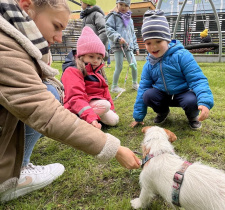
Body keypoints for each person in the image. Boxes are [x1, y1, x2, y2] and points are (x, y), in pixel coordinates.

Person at [0, 0, 140, 203]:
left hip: (90, 109)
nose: (58, 38)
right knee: (49, 94)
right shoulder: (6, 49)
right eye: (56, 26)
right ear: (26, 5)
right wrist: (114, 148)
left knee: (54, 92)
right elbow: (46, 112)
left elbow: (104, 92)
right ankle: (13, 175)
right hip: (81, 109)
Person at [130, 10, 214, 130]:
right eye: (148, 43)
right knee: (148, 95)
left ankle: (192, 116)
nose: (153, 47)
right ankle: (162, 112)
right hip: (163, 95)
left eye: (158, 41)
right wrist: (138, 116)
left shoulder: (182, 55)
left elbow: (197, 79)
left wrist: (205, 102)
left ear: (167, 40)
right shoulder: (149, 63)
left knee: (191, 100)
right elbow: (143, 87)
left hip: (183, 93)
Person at [62, 26, 119, 129]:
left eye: (99, 57)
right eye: (91, 56)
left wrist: (112, 110)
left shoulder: (96, 70)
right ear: (81, 55)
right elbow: (75, 97)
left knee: (114, 120)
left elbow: (105, 91)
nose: (96, 61)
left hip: (94, 104)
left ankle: (92, 119)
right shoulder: (72, 70)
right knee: (105, 105)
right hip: (75, 107)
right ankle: (79, 121)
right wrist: (90, 117)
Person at [105, 0, 140, 93]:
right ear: (117, 4)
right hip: (118, 46)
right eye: (121, 4)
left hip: (128, 46)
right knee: (119, 66)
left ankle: (135, 83)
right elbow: (108, 29)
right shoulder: (113, 16)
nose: (123, 7)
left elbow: (132, 34)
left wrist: (136, 47)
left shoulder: (130, 19)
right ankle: (114, 86)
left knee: (134, 65)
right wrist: (118, 37)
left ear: (129, 6)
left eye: (126, 5)